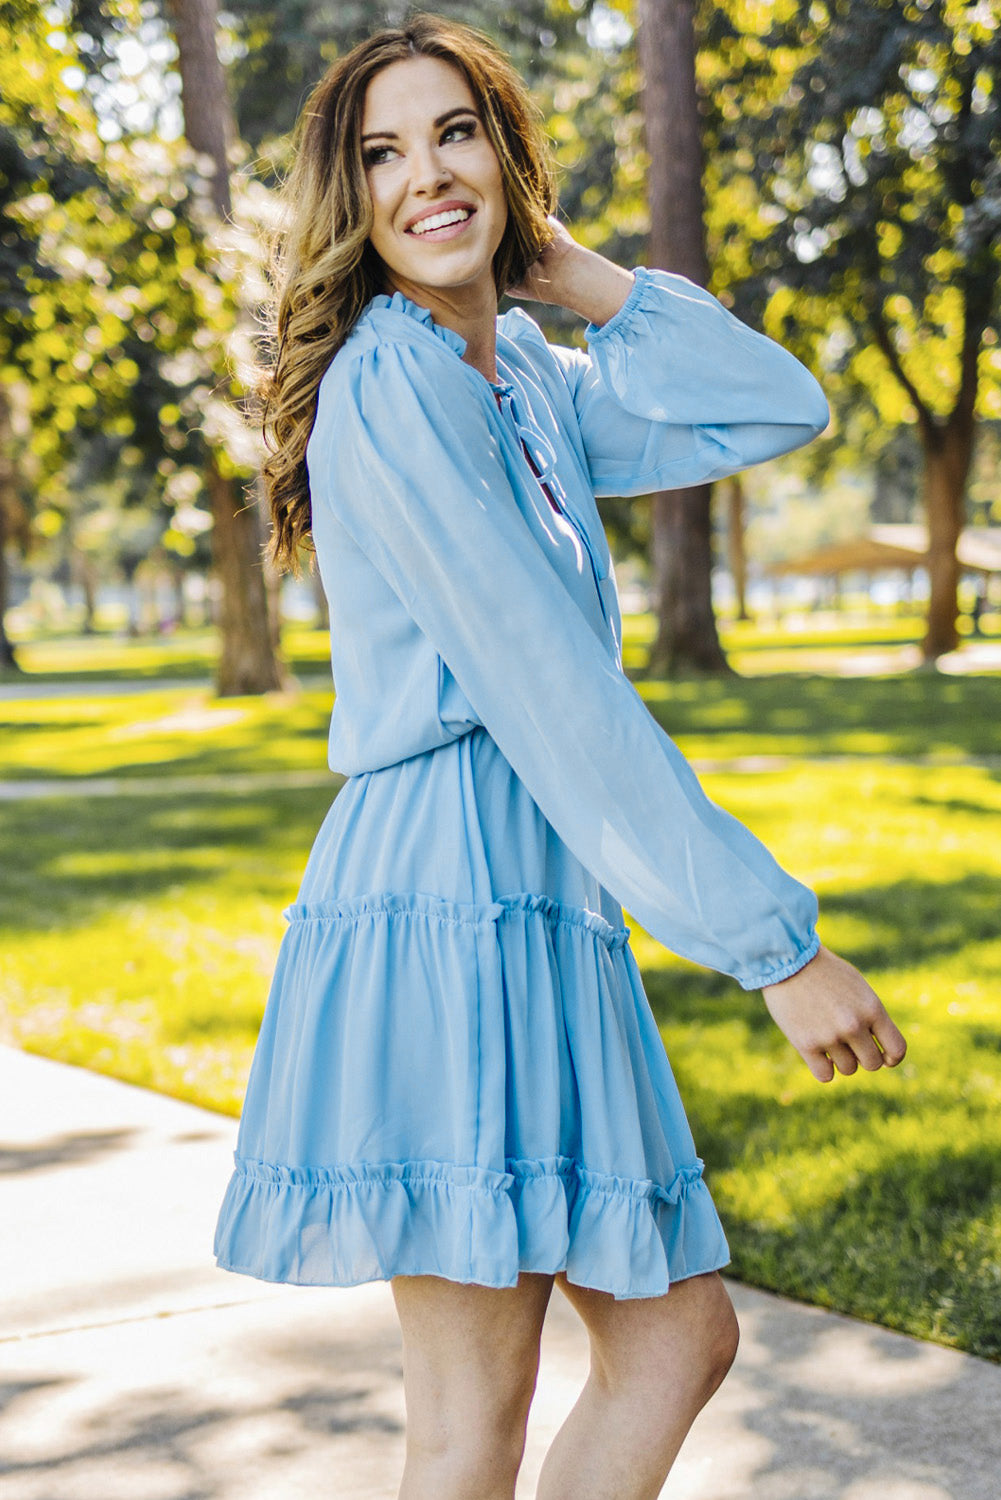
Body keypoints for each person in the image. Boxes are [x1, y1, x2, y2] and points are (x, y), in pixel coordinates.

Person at [214, 14, 907, 1499]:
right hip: (447, 897)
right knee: (474, 1418)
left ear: (505, 152)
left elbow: (773, 404)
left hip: (539, 897)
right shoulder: (389, 387)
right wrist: (770, 946)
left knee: (673, 1344)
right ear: (350, 198)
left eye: (453, 133)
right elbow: (544, 690)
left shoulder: (518, 373)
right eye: (380, 155)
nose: (424, 178)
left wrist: (576, 278)